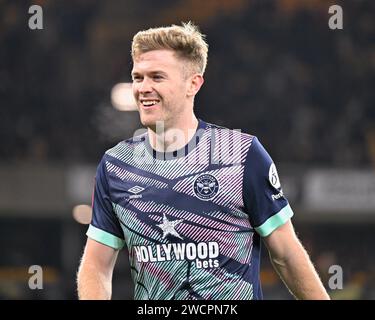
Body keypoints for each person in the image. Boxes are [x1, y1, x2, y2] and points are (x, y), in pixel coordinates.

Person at [76, 22, 330, 300]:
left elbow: (287, 254)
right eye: (138, 77)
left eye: (157, 77)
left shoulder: (242, 155)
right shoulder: (116, 166)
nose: (143, 88)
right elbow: (96, 265)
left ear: (193, 84)